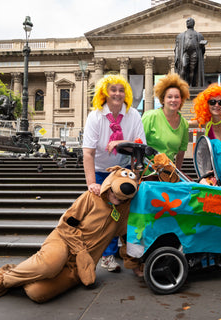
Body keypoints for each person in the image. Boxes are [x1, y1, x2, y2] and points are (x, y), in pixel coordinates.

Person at [0, 166, 138, 303]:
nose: (119, 199)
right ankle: (2, 279)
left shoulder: (123, 213)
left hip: (81, 266)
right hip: (64, 241)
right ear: (109, 184)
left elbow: (127, 239)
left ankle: (29, 273)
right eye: (116, 194)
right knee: (50, 265)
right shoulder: (91, 197)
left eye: (123, 198)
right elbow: (66, 224)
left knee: (37, 293)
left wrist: (135, 265)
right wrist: (80, 251)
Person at [82, 74, 146, 273]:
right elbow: (88, 152)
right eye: (113, 90)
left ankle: (132, 254)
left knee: (130, 211)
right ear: (105, 93)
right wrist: (92, 183)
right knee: (107, 212)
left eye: (121, 90)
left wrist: (121, 143)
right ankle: (107, 255)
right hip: (101, 169)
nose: (118, 94)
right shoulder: (95, 116)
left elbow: (140, 145)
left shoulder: (133, 114)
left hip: (124, 169)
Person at [142, 73, 190, 170]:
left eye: (177, 97)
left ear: (181, 100)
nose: (173, 100)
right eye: (169, 97)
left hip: (168, 174)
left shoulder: (184, 124)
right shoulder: (150, 117)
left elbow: (181, 151)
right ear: (162, 100)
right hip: (147, 173)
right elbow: (137, 144)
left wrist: (177, 173)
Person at [174, 17, 207, 87]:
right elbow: (177, 48)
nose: (187, 22)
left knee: (193, 70)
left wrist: (201, 46)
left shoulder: (199, 35)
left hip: (194, 53)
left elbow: (202, 51)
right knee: (183, 66)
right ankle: (181, 85)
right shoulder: (180, 36)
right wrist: (176, 57)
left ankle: (192, 84)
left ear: (193, 23)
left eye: (189, 21)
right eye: (187, 21)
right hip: (185, 53)